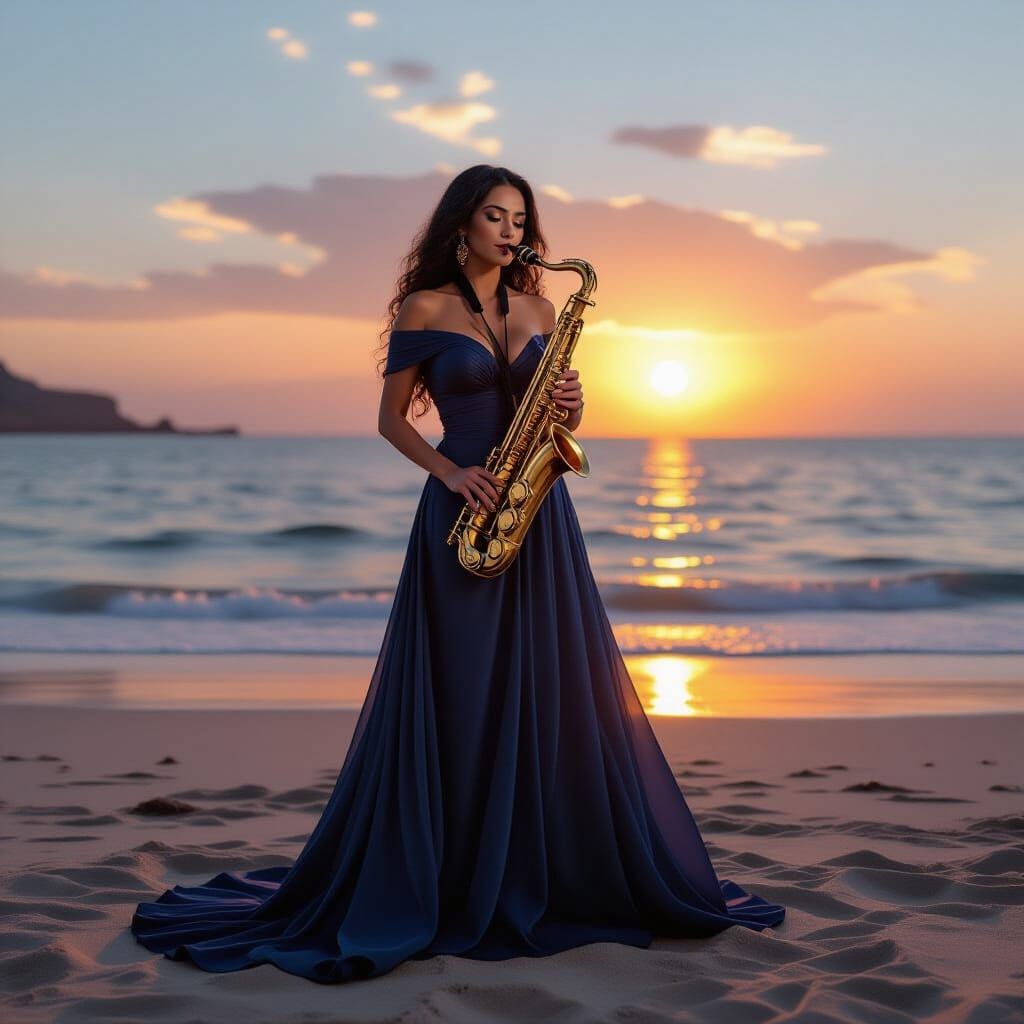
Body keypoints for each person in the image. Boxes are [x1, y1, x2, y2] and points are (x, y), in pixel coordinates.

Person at [130, 164, 785, 984]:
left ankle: (537, 867)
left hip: (539, 516)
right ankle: (445, 871)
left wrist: (571, 408)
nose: (512, 232)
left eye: (521, 218)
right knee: (462, 692)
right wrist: (448, 473)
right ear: (461, 225)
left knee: (551, 690)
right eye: (495, 216)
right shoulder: (427, 309)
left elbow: (555, 412)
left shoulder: (544, 307)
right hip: (463, 513)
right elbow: (386, 419)